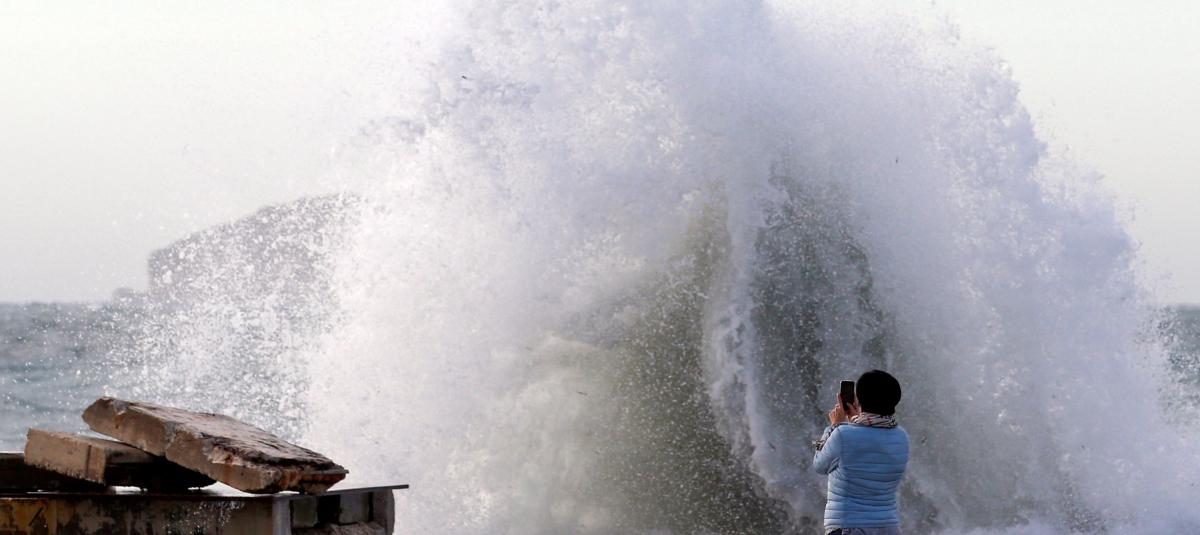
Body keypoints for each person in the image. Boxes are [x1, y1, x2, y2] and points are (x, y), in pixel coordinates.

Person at [811, 369, 909, 535]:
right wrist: (855, 421)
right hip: (888, 528)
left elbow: (819, 465)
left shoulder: (843, 434)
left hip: (850, 526)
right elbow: (870, 451)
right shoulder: (901, 437)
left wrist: (834, 426)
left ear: (859, 399)